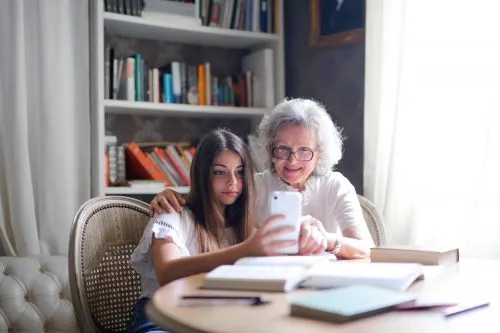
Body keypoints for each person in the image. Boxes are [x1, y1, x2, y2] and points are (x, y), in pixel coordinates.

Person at [150, 98, 374, 259]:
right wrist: (170, 196)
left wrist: (327, 239)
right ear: (270, 149)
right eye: (282, 149)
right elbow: (211, 203)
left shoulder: (336, 185)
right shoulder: (253, 185)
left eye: (304, 151)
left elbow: (367, 249)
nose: (292, 161)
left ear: (320, 153)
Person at [127, 129, 295, 333]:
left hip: (210, 314)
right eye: (219, 172)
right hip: (159, 316)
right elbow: (167, 272)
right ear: (202, 175)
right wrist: (244, 251)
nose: (232, 181)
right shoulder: (172, 213)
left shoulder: (242, 226)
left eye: (240, 172)